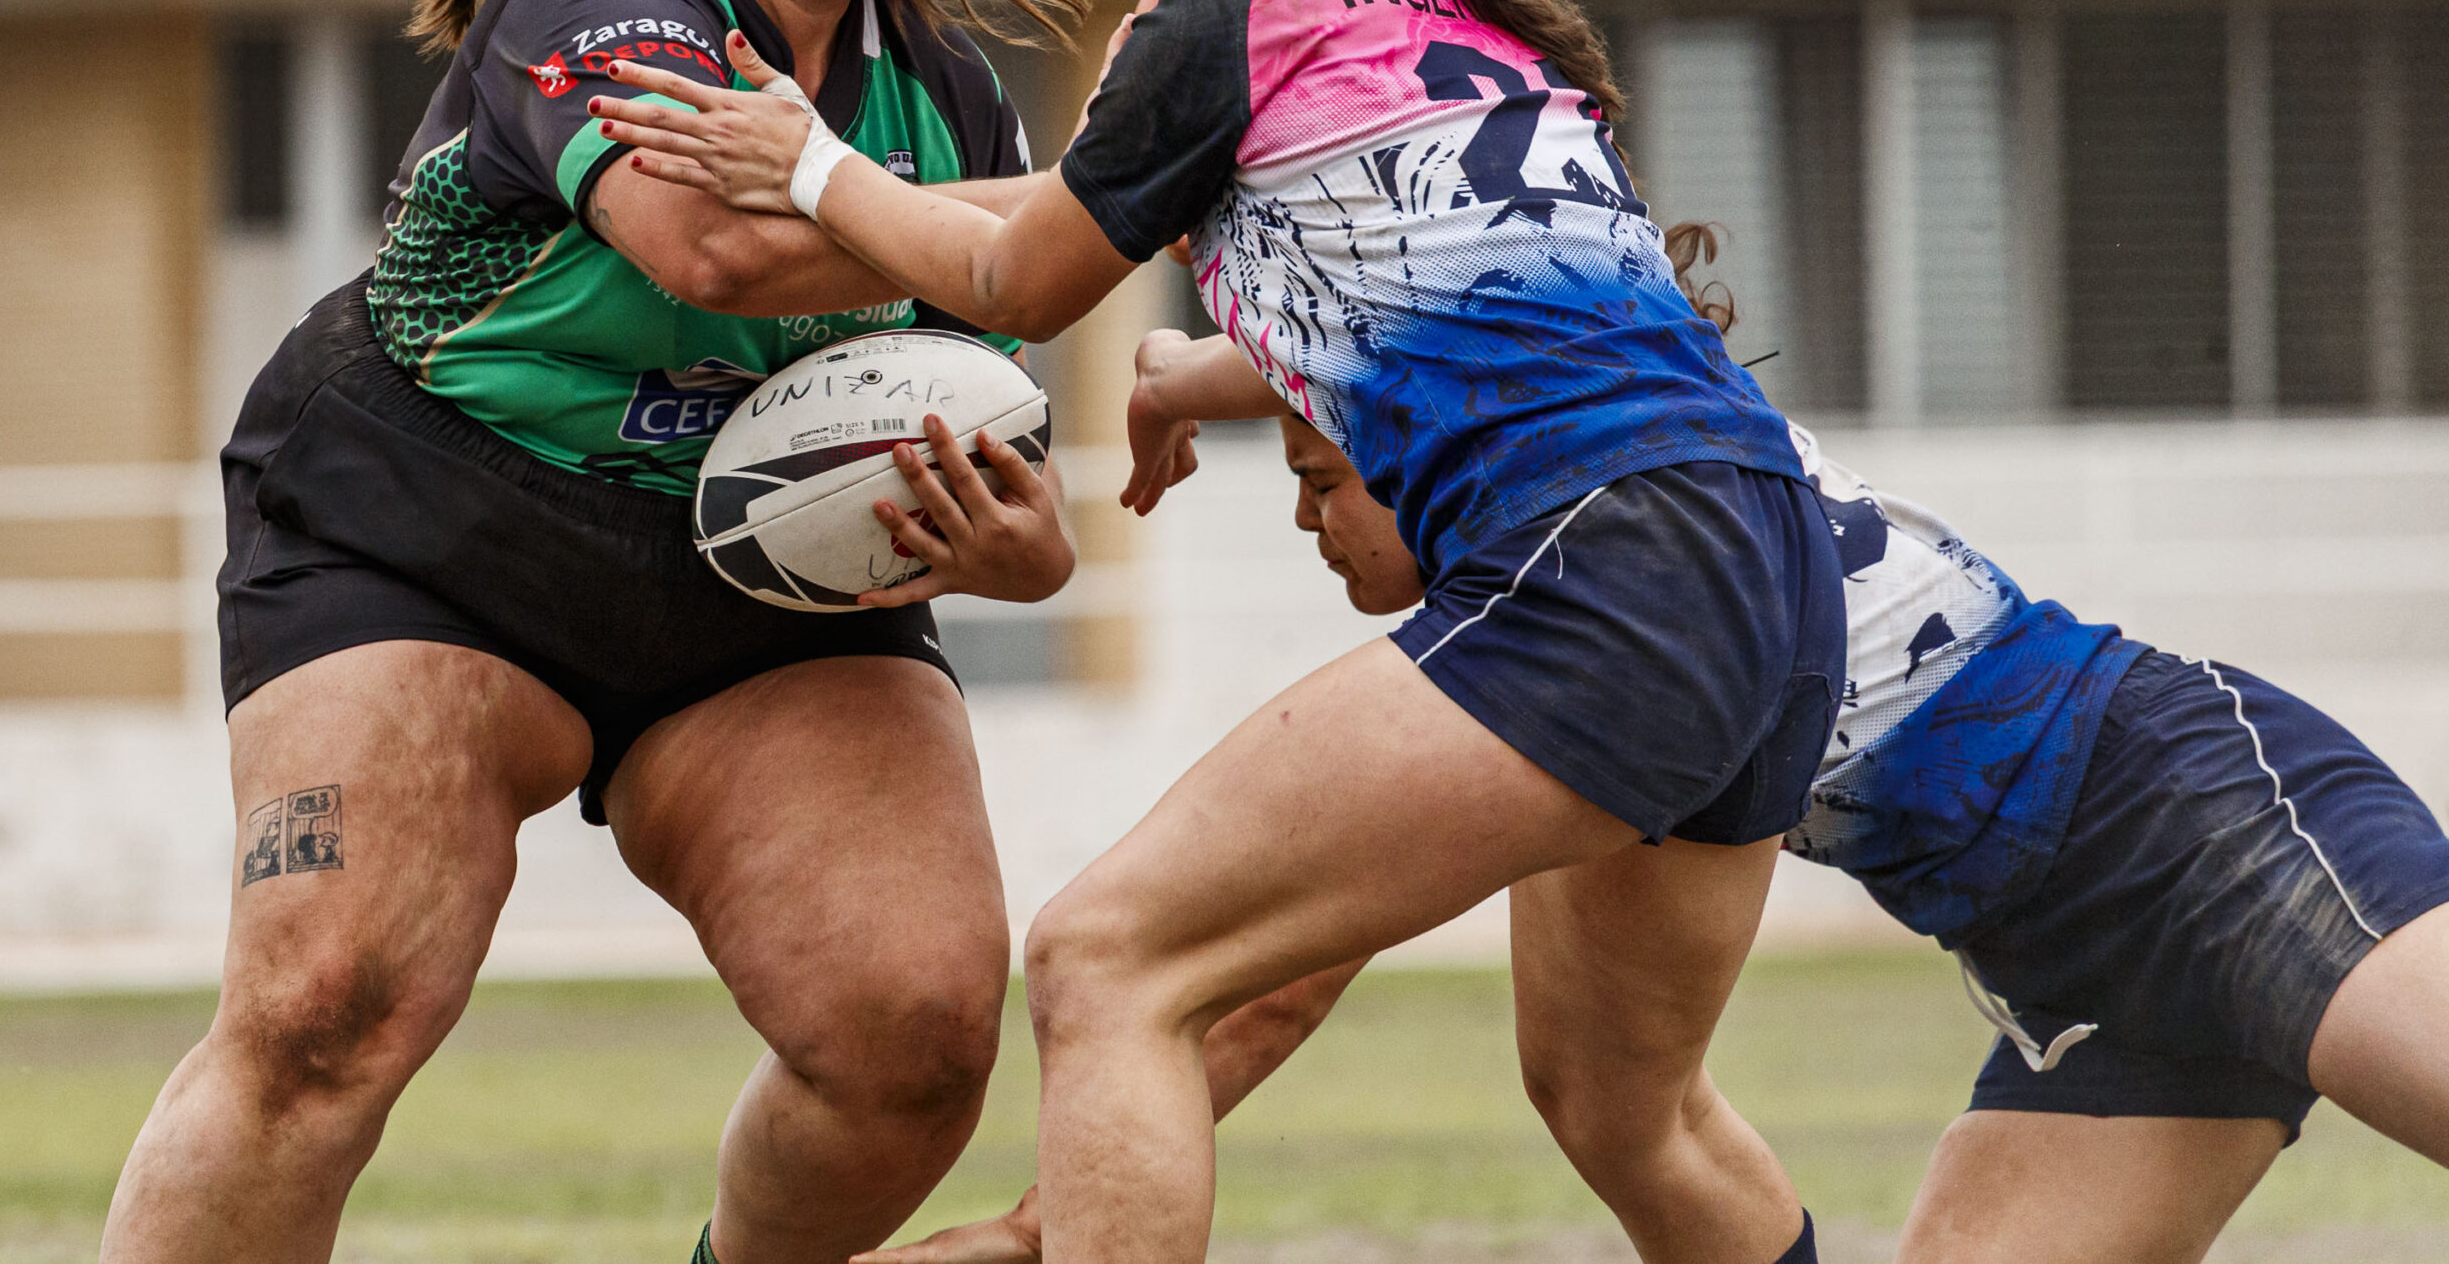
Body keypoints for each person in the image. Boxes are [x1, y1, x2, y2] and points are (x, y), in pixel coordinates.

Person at [597, 0, 1840, 1264]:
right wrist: (1204, 372)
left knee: (1108, 961)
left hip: (1607, 570)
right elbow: (1483, 305)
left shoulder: (1229, 20)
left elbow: (1013, 274)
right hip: (1782, 562)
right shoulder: (1482, 29)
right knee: (1625, 1107)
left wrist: (808, 165)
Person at [101, 0, 1088, 1264]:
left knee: (912, 1043)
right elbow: (714, 248)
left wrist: (1021, 546)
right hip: (427, 529)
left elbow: (1004, 442)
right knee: (323, 1006)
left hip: (761, 598)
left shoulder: (949, 99)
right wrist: (1076, 214)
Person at [872, 313, 2449, 1264]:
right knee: (1607, 1098)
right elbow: (1283, 963)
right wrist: (1179, 364)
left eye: (1324, 482)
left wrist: (1033, 1235)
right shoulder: (1567, 632)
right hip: (2073, 983)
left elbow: (1271, 983)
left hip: (2210, 823)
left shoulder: (1629, 556)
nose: (1311, 522)